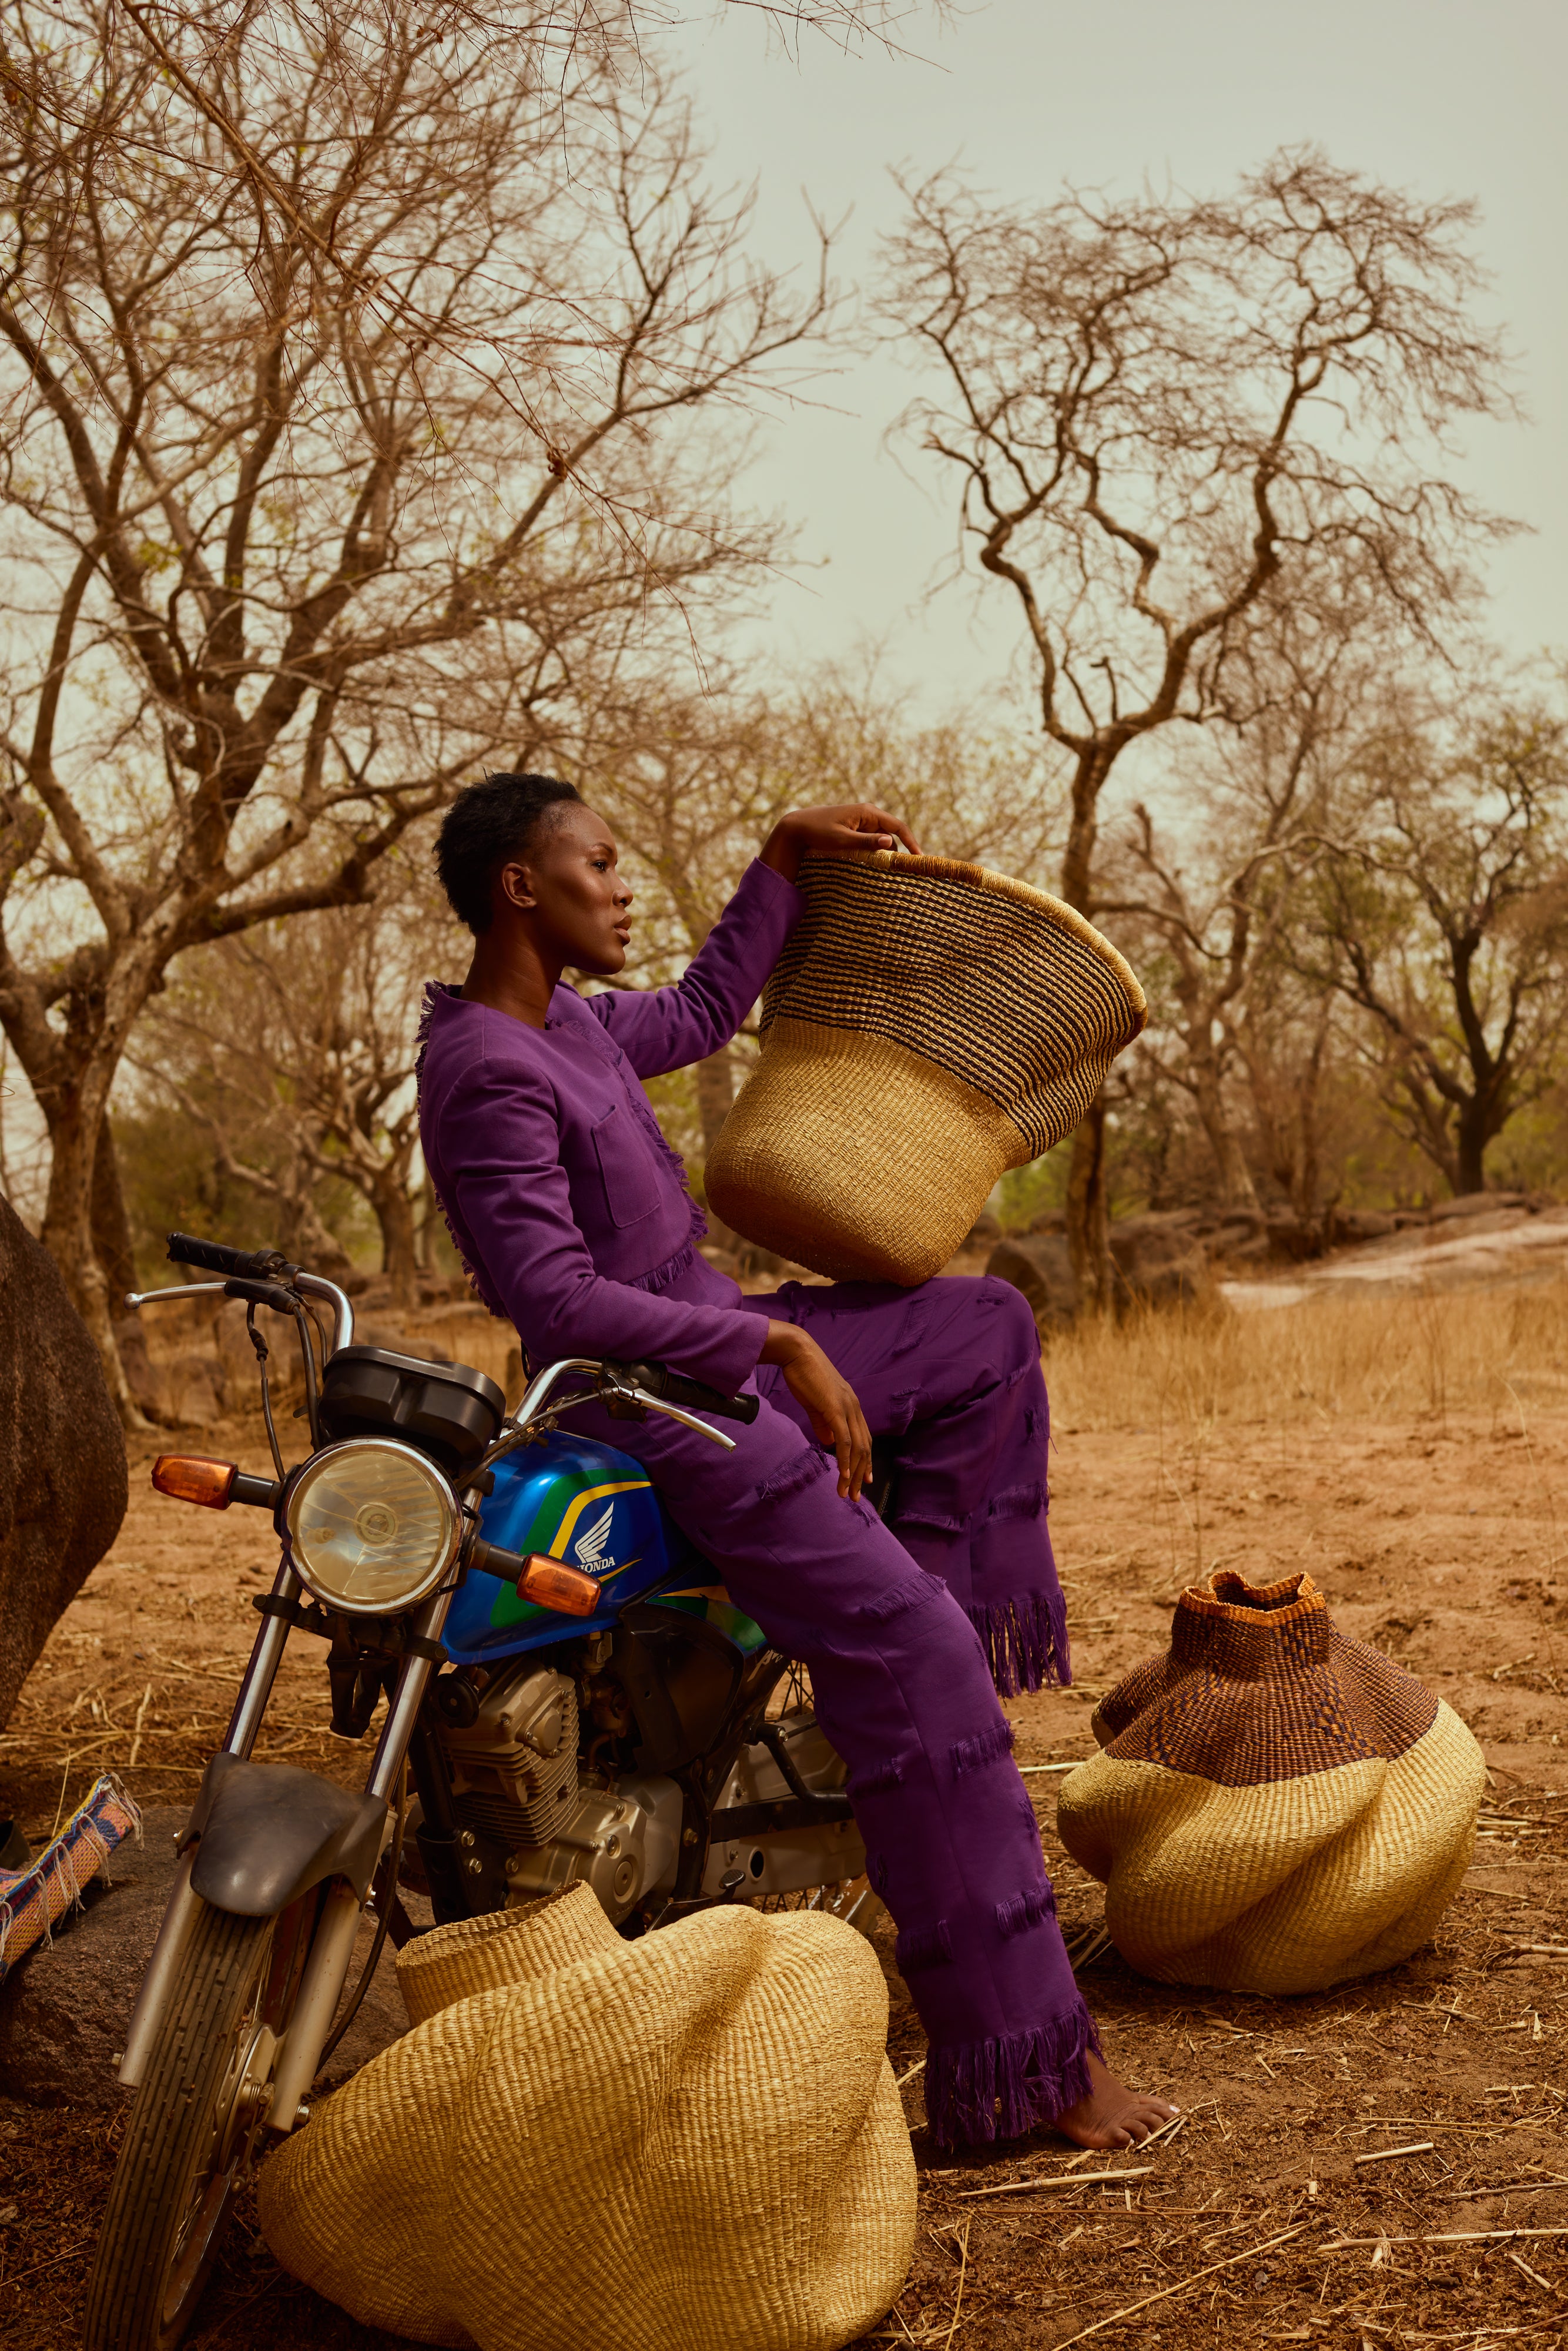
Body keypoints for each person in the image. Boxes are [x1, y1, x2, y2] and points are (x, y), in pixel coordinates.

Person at [417, 769, 1177, 2154]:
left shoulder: (574, 1026)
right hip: (655, 1402)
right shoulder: (484, 1067)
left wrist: (776, 856)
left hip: (707, 1344)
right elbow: (553, 1302)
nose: (622, 882)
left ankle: (885, 1663)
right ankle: (1027, 2062)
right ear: (522, 888)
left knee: (981, 1326)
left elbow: (708, 1011)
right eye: (598, 862)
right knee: (923, 1663)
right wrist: (768, 1346)